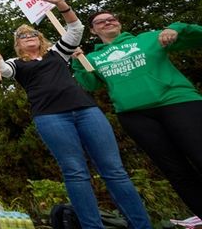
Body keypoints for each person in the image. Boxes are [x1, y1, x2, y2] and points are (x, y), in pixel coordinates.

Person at [0, 0, 151, 229]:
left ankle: (141, 225)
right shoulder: (17, 65)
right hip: (51, 118)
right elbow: (0, 68)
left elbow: (75, 29)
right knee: (75, 173)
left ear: (41, 39)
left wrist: (60, 4)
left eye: (32, 33)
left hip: (87, 112)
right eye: (22, 36)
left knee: (114, 170)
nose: (28, 37)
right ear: (17, 45)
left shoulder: (57, 54)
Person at [72, 11, 202, 217]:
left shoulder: (149, 38)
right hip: (134, 115)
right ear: (93, 31)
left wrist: (175, 28)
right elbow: (91, 85)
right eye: (100, 22)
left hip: (178, 103)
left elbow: (197, 36)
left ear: (119, 23)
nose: (107, 22)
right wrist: (78, 62)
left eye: (112, 19)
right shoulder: (93, 58)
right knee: (176, 171)